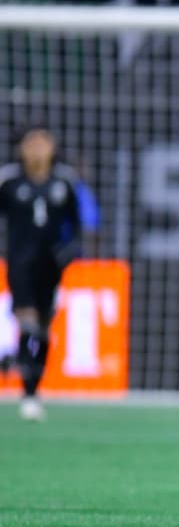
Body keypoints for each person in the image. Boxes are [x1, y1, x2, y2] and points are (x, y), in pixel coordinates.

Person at [0, 123, 82, 421]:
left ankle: (33, 383)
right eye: (30, 142)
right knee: (28, 324)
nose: (37, 148)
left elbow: (77, 224)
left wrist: (72, 249)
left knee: (45, 330)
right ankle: (28, 392)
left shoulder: (64, 182)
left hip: (52, 267)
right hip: (20, 265)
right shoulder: (8, 181)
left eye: (43, 141)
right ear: (21, 147)